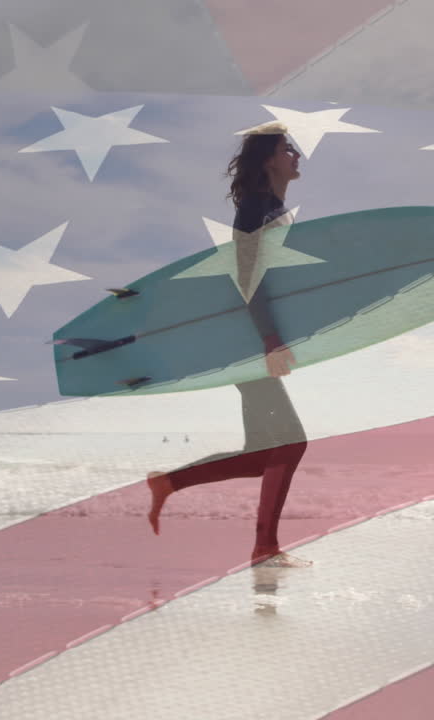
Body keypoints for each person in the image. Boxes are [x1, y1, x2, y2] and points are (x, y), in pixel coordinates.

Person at [146, 121, 313, 569]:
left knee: (265, 453)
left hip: (247, 340)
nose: (297, 155)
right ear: (268, 159)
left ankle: (169, 483)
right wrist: (270, 339)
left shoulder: (271, 207)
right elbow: (247, 277)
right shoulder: (257, 207)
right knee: (291, 444)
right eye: (288, 148)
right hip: (246, 342)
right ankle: (264, 549)